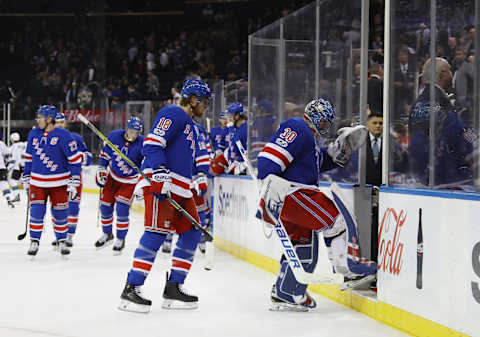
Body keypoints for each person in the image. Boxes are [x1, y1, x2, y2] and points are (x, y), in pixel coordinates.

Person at [257, 98, 376, 311]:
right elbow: (268, 159)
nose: (325, 127)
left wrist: (338, 150)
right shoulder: (297, 127)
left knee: (304, 245)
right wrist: (268, 185)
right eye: (323, 122)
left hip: (292, 195)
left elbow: (315, 163)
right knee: (336, 220)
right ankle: (347, 267)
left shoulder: (309, 138)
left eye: (327, 124)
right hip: (293, 193)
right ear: (314, 117)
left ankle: (287, 292)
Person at [119, 79, 211, 313]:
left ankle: (174, 287)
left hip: (182, 188)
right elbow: (153, 143)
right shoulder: (174, 112)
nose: (206, 107)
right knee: (156, 234)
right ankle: (131, 289)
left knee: (191, 233)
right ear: (193, 99)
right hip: (164, 184)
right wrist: (159, 172)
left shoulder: (191, 124)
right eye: (204, 102)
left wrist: (197, 175)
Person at [21, 105, 82, 257]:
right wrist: (26, 175)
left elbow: (74, 159)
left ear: (49, 119)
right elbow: (29, 157)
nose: (38, 120)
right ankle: (34, 241)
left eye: (40, 117)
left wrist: (75, 178)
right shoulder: (33, 134)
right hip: (37, 182)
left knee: (60, 214)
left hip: (59, 183)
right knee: (36, 212)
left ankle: (61, 241)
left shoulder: (64, 135)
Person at [408, 57, 473, 187]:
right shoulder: (443, 105)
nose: (452, 74)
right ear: (442, 73)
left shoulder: (417, 104)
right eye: (450, 70)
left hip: (423, 175)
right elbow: (461, 136)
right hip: (447, 177)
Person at [95, 117, 144, 254]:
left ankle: (120, 239)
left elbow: (146, 165)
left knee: (122, 210)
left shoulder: (143, 143)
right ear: (126, 129)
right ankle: (107, 234)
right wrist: (101, 169)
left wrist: (142, 183)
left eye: (136, 132)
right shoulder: (114, 136)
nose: (133, 135)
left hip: (130, 181)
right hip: (113, 177)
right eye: (131, 131)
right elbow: (105, 156)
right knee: (105, 206)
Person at [51, 112, 93, 248]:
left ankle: (69, 236)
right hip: (56, 179)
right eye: (56, 123)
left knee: (73, 207)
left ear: (65, 123)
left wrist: (79, 158)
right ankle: (59, 235)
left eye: (61, 122)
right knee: (57, 207)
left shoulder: (75, 138)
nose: (59, 125)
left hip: (74, 178)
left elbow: (88, 156)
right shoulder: (48, 139)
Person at [7, 132, 26, 204]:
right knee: (26, 182)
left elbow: (13, 158)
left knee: (13, 181)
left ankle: (16, 195)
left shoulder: (13, 147)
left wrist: (9, 167)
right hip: (25, 166)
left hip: (17, 167)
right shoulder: (23, 144)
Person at [365, 112, 383, 186]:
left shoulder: (389, 143)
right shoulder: (360, 141)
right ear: (367, 124)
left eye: (381, 123)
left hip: (383, 190)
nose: (378, 126)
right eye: (374, 123)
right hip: (365, 187)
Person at [0, 138, 13, 207]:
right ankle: (8, 198)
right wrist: (8, 164)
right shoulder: (1, 143)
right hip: (1, 167)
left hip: (2, 166)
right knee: (3, 184)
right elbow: (8, 155)